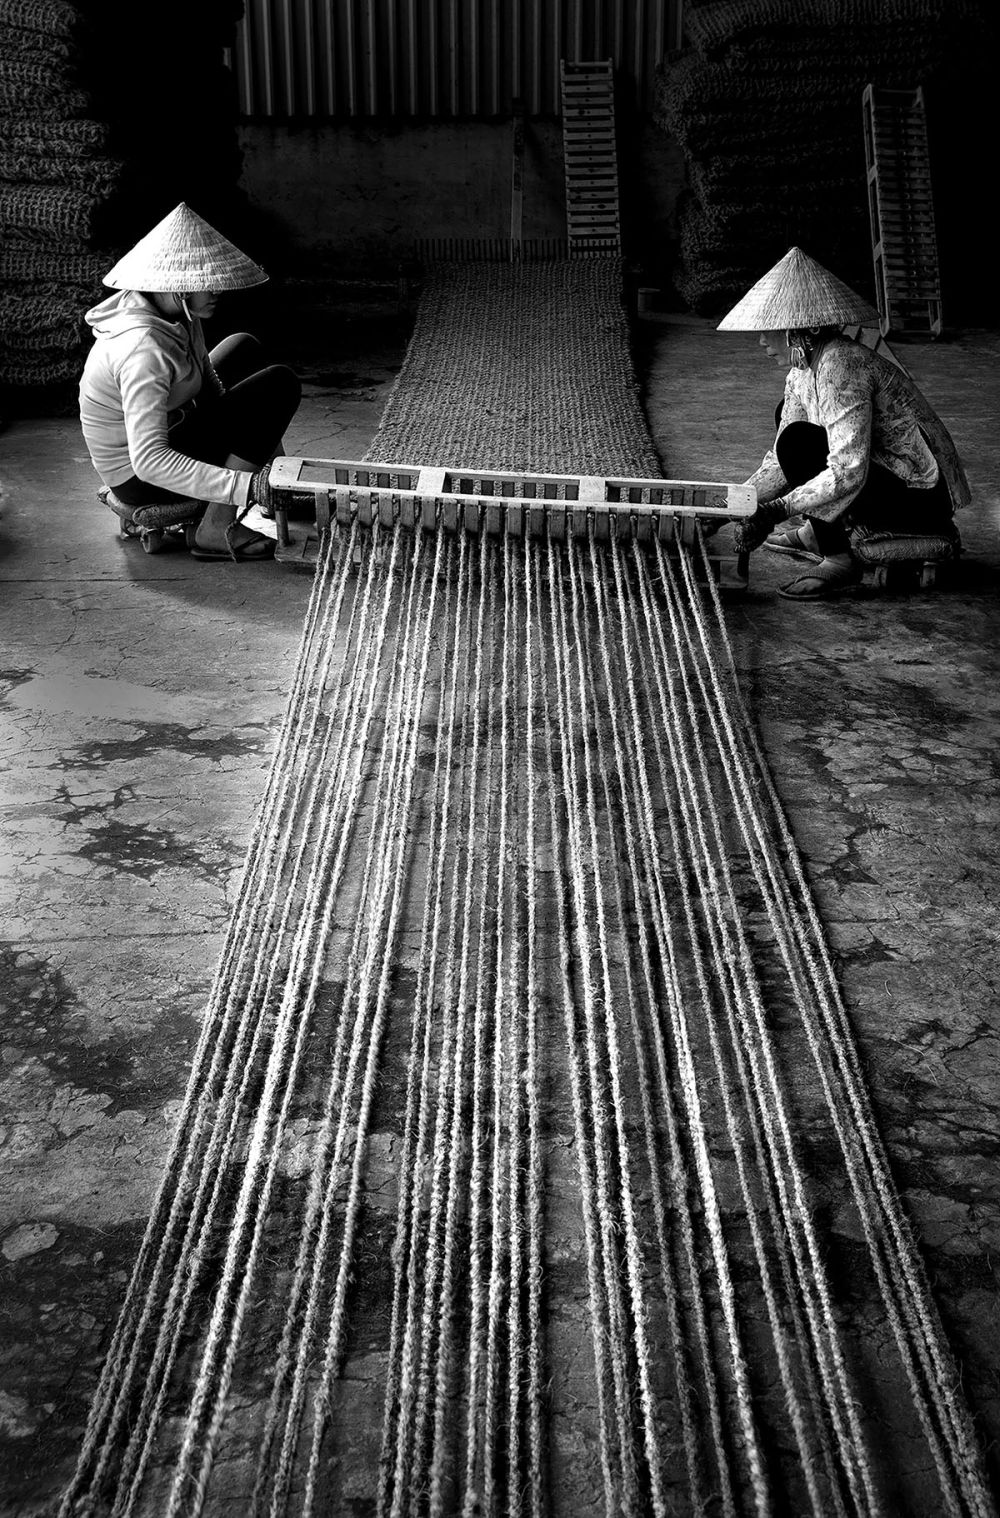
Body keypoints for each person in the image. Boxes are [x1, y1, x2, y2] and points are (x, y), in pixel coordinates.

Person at [718, 246, 970, 600]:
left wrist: (776, 511)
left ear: (801, 330)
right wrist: (731, 506)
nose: (761, 341)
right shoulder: (801, 374)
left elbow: (847, 470)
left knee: (800, 442)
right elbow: (779, 461)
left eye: (769, 330)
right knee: (789, 431)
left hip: (920, 496)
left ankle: (838, 561)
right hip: (881, 475)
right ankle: (817, 533)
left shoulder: (842, 365)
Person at [79, 202, 300, 561]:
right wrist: (243, 485)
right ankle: (215, 525)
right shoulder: (142, 351)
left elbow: (209, 385)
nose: (217, 292)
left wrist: (257, 448)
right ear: (176, 287)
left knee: (243, 346)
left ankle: (278, 482)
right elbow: (150, 460)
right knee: (279, 384)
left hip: (176, 421)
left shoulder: (175, 313)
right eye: (206, 285)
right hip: (140, 478)